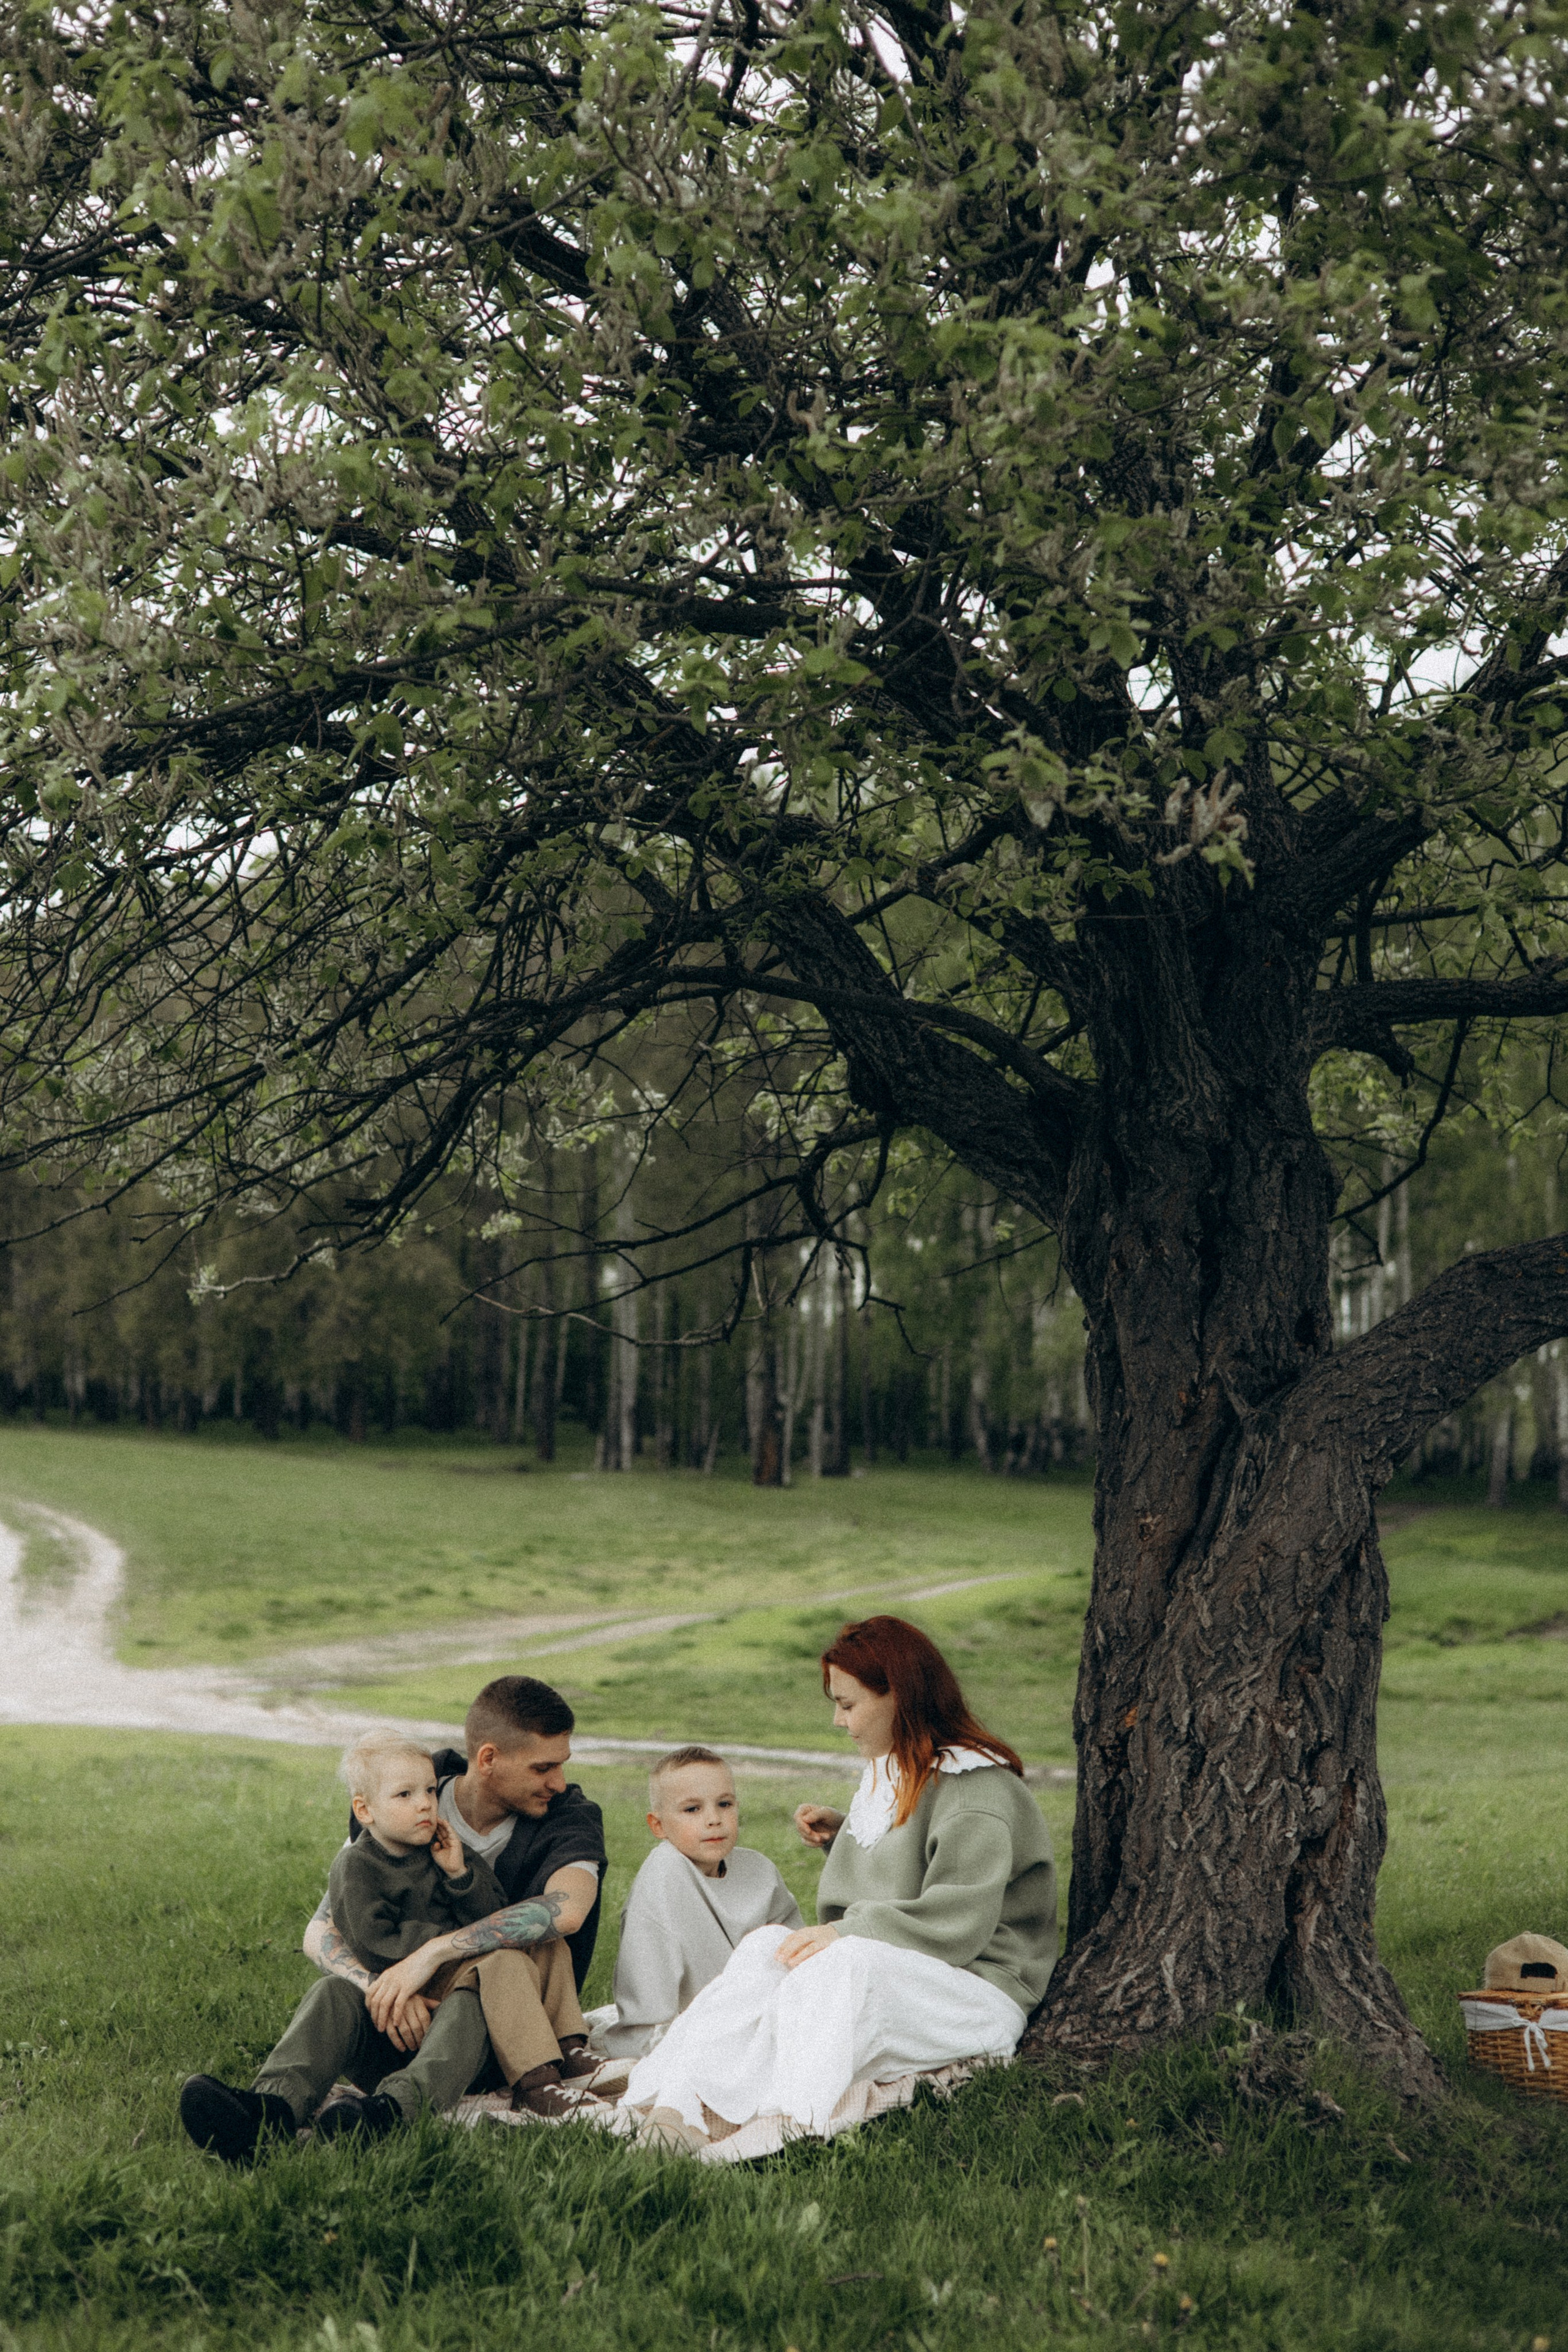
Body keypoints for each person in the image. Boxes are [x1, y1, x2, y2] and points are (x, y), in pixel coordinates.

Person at [620, 1617, 1055, 2149]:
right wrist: (845, 1837)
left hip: (980, 1988)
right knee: (766, 1949)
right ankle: (675, 2103)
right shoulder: (895, 1771)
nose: (837, 1719)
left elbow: (957, 1920)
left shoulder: (976, 1786)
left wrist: (847, 1932)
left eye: (848, 1705)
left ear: (899, 1696)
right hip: (917, 1974)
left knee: (841, 1963)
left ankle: (790, 2122)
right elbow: (912, 1870)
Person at [179, 1733, 516, 2161]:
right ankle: (271, 2109)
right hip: (391, 2029)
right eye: (405, 1794)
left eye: (431, 1791)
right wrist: (432, 1952)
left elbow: (496, 1921)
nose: (425, 1804)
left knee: (472, 2003)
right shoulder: (357, 1866)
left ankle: (389, 2115)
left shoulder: (450, 1852)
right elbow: (373, 1943)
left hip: (460, 2055)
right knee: (331, 1992)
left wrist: (458, 1875)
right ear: (365, 1810)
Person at [304, 1675, 608, 2087]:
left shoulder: (569, 1815)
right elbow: (321, 1929)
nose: (557, 1781)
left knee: (536, 1946)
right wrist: (387, 1988)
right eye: (543, 1767)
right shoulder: (402, 1797)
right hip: (401, 2025)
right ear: (487, 1759)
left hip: (513, 2032)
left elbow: (567, 1912)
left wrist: (430, 1954)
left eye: (561, 1764)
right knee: (331, 2003)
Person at [604, 1746, 802, 2060]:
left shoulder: (758, 1870)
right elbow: (646, 1970)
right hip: (685, 2020)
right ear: (658, 1826)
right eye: (692, 1810)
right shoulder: (665, 1873)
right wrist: (648, 2036)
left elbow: (793, 1946)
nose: (713, 1820)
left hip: (756, 2009)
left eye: (724, 1804)